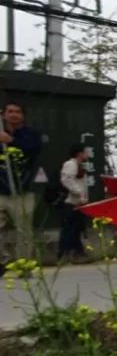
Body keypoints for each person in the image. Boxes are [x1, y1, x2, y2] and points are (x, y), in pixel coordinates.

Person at [0, 100, 43, 263]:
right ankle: (2, 260)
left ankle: (24, 263)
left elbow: (32, 150)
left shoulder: (32, 135)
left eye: (17, 112)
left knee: (24, 231)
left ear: (23, 116)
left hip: (22, 189)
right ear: (4, 115)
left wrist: (10, 141)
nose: (13, 115)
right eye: (10, 111)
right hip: (0, 190)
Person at [57, 143, 91, 262]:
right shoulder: (70, 164)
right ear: (79, 153)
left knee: (77, 229)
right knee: (69, 230)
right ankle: (63, 254)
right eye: (85, 152)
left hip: (79, 203)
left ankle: (78, 253)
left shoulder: (79, 165)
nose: (87, 154)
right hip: (71, 203)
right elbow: (66, 180)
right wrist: (79, 193)